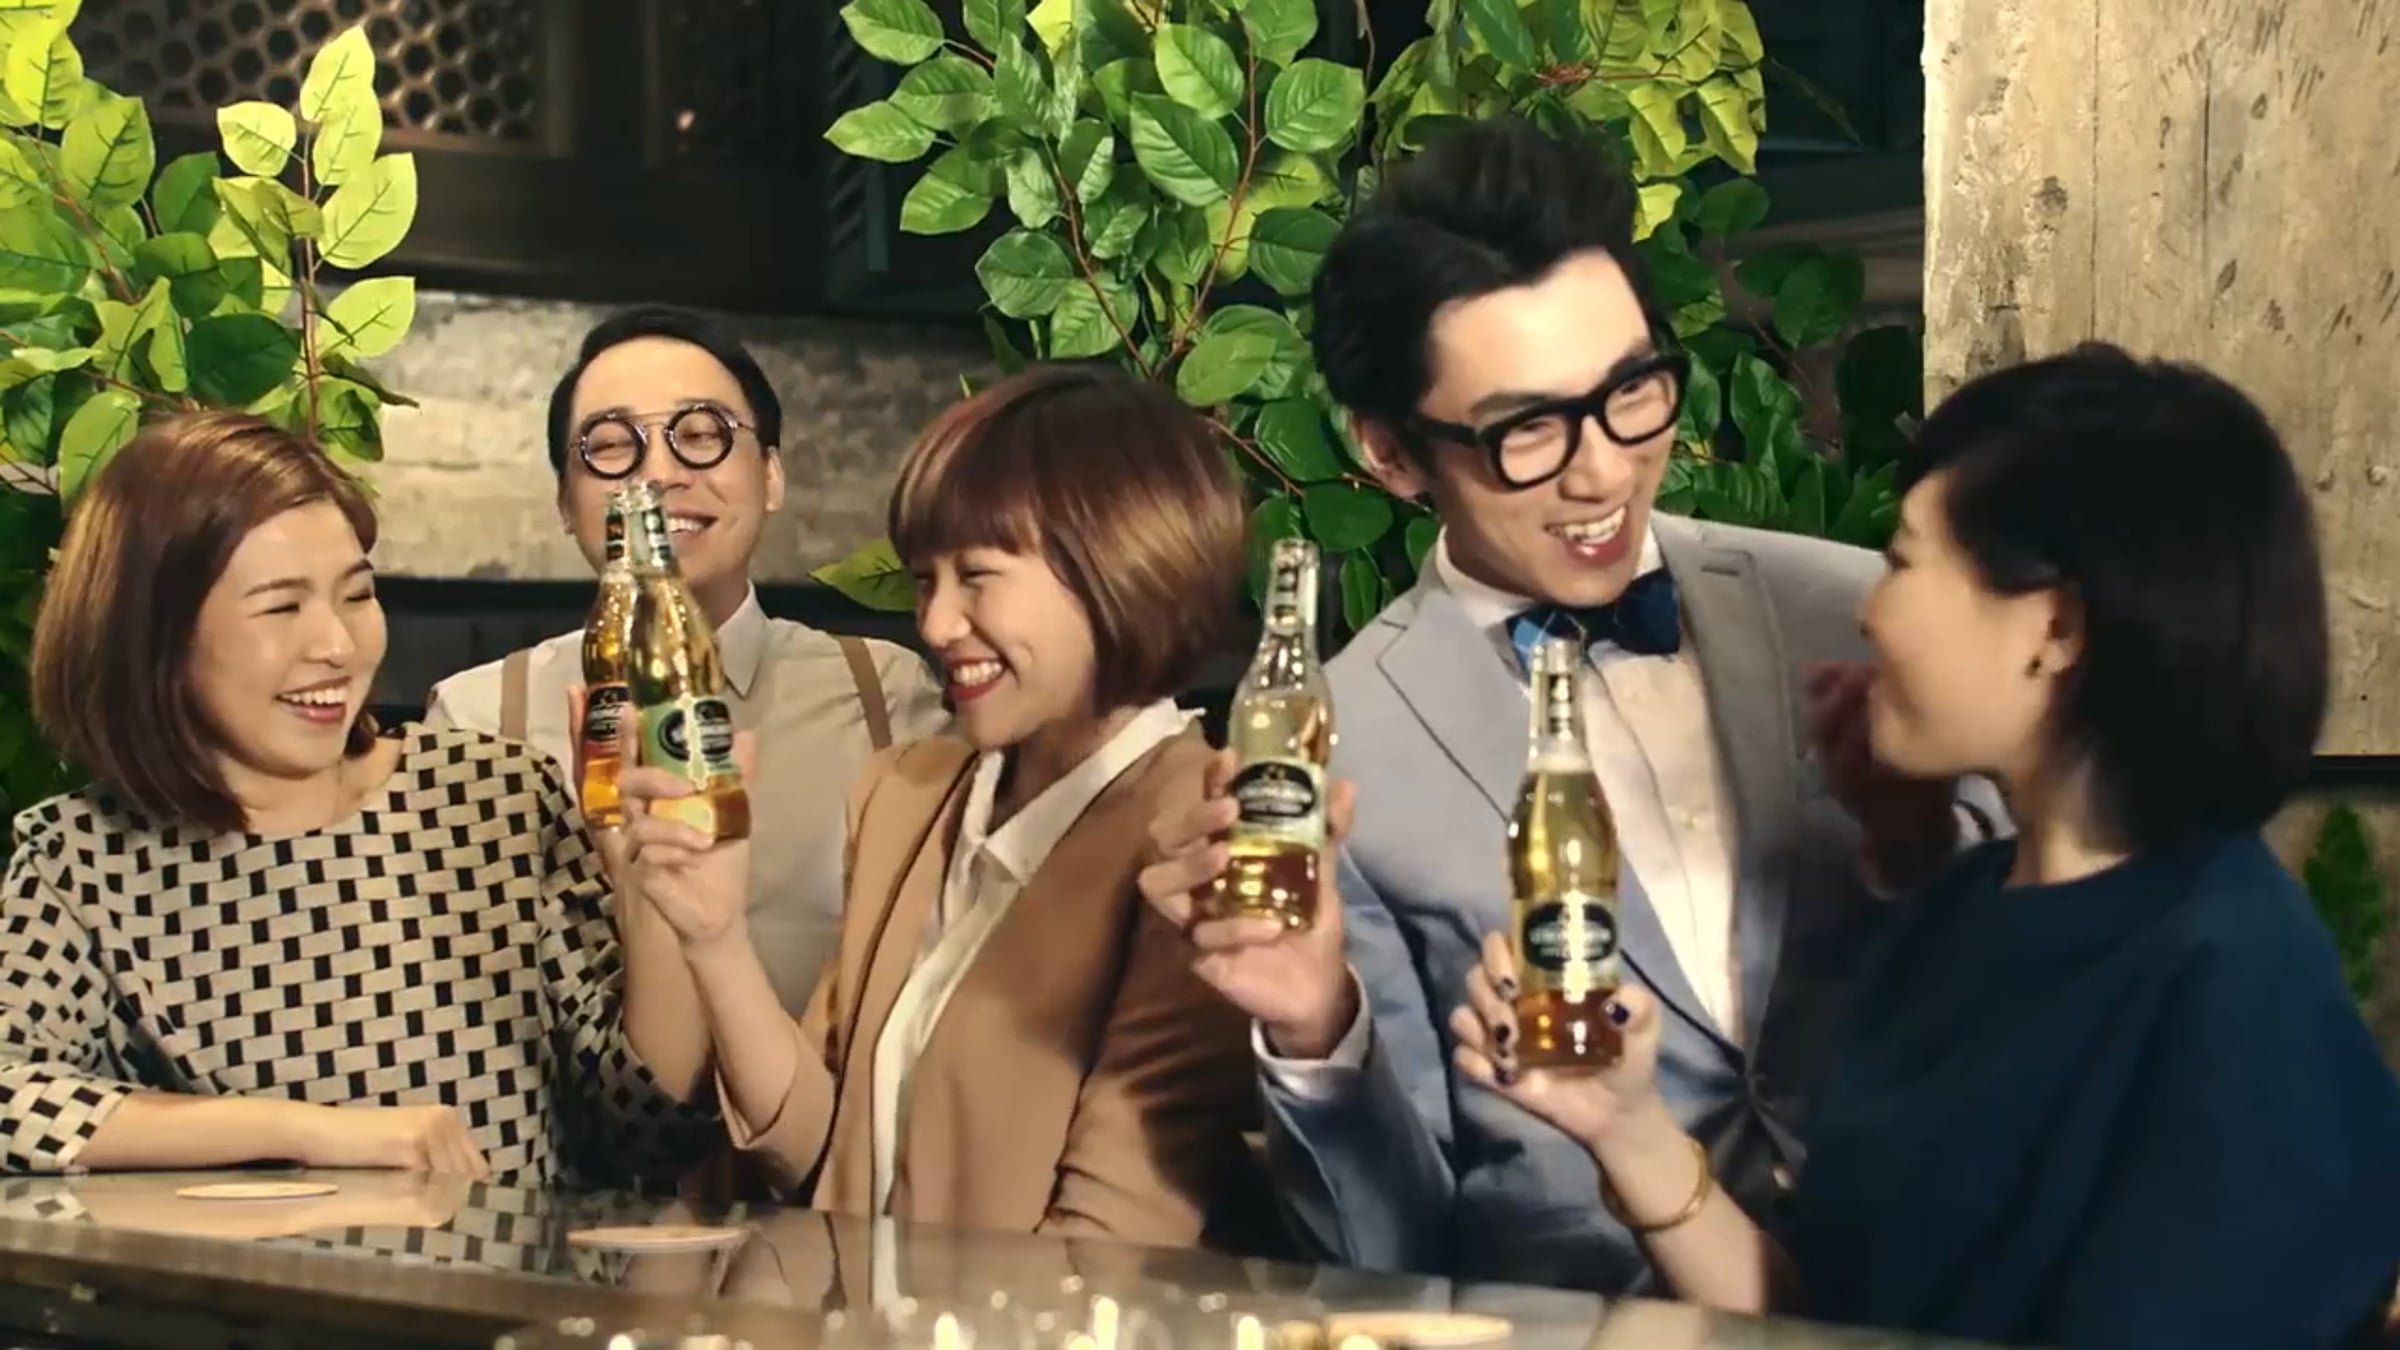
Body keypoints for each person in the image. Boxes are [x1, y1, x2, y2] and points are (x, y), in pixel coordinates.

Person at [1137, 116, 2000, 1291]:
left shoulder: (1853, 612)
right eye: (1525, 430)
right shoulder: (1349, 743)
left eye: (1631, 392)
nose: (1601, 470)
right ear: (1390, 453)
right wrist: (1314, 1027)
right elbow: (1390, 1254)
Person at [1451, 345, 2400, 1348]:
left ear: (2054, 627)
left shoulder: (2234, 983)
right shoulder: (1962, 908)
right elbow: (1829, 1322)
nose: (1869, 610)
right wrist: (1624, 1126)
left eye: (1903, 560)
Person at [618, 364, 1263, 1243]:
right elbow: (825, 1157)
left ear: (1119, 568)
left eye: (978, 576)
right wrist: (714, 938)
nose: (935, 623)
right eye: (927, 581)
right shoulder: (907, 794)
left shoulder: (1199, 830)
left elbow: (1107, 1251)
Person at [0, 412, 718, 1186]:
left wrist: (652, 905)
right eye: (281, 607)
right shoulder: (81, 862)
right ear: (156, 635)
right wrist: (304, 1132)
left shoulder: (494, 798)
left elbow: (647, 1132)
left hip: (513, 1268)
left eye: (357, 594)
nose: (337, 646)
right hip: (249, 1272)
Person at [426, 305, 947, 1012]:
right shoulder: (478, 718)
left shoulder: (886, 696)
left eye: (701, 435)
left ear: (770, 476)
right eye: (613, 446)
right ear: (564, 501)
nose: (659, 474)